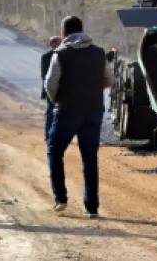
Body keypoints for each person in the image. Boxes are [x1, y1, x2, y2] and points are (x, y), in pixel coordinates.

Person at [44, 16, 112, 219]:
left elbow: (50, 83)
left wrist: (58, 101)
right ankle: (91, 208)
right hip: (93, 110)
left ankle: (60, 199)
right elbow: (109, 80)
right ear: (83, 30)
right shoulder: (99, 53)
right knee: (90, 158)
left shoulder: (61, 54)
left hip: (67, 111)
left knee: (55, 151)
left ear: (63, 34)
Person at [41, 36, 63, 144]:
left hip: (63, 90)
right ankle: (48, 135)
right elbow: (44, 75)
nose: (61, 44)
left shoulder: (64, 56)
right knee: (51, 112)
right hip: (51, 89)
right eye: (59, 43)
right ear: (52, 44)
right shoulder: (46, 57)